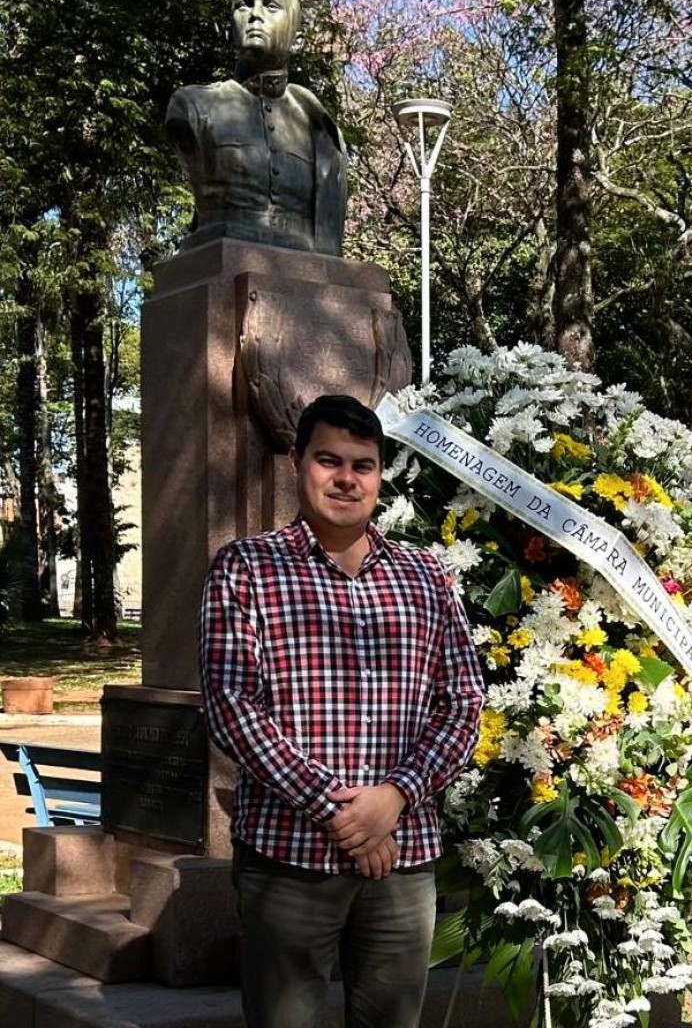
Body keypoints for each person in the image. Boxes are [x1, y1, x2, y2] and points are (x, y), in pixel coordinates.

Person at [199, 394, 483, 1028]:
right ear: (297, 462)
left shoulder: (426, 576)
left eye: (364, 464)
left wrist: (394, 797)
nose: (347, 478)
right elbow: (231, 706)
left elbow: (464, 702)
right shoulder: (246, 569)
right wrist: (341, 810)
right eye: (329, 460)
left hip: (402, 860)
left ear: (381, 474)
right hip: (289, 859)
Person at [167, 0, 347, 256]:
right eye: (244, 5)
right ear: (230, 30)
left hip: (307, 263)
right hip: (223, 254)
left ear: (297, 39)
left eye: (270, 6)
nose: (255, 15)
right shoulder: (193, 105)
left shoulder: (316, 124)